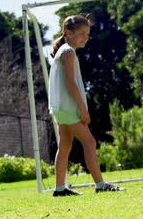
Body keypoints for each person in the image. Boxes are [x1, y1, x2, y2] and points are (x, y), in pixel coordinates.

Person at [49, 15, 126, 196]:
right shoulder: (68, 52)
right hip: (69, 109)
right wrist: (83, 109)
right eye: (82, 33)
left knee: (65, 146)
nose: (86, 38)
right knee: (89, 142)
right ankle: (100, 185)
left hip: (61, 109)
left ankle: (60, 189)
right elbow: (71, 83)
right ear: (68, 32)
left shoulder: (65, 51)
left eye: (88, 34)